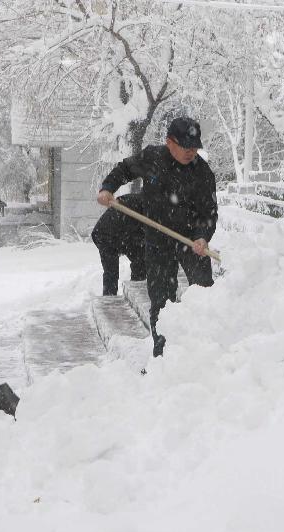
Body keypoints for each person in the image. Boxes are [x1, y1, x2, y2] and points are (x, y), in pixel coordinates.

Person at [97, 117, 217, 357]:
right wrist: (108, 187)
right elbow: (124, 169)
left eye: (194, 148)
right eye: (186, 147)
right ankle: (162, 357)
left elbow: (209, 213)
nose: (190, 153)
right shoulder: (152, 157)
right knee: (160, 302)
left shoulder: (202, 172)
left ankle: (206, 354)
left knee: (204, 295)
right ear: (169, 142)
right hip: (157, 240)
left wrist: (203, 237)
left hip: (190, 241)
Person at [91, 193, 147, 296]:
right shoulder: (145, 204)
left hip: (107, 233)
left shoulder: (136, 200)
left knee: (112, 272)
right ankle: (134, 293)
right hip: (110, 235)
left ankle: (113, 297)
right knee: (138, 262)